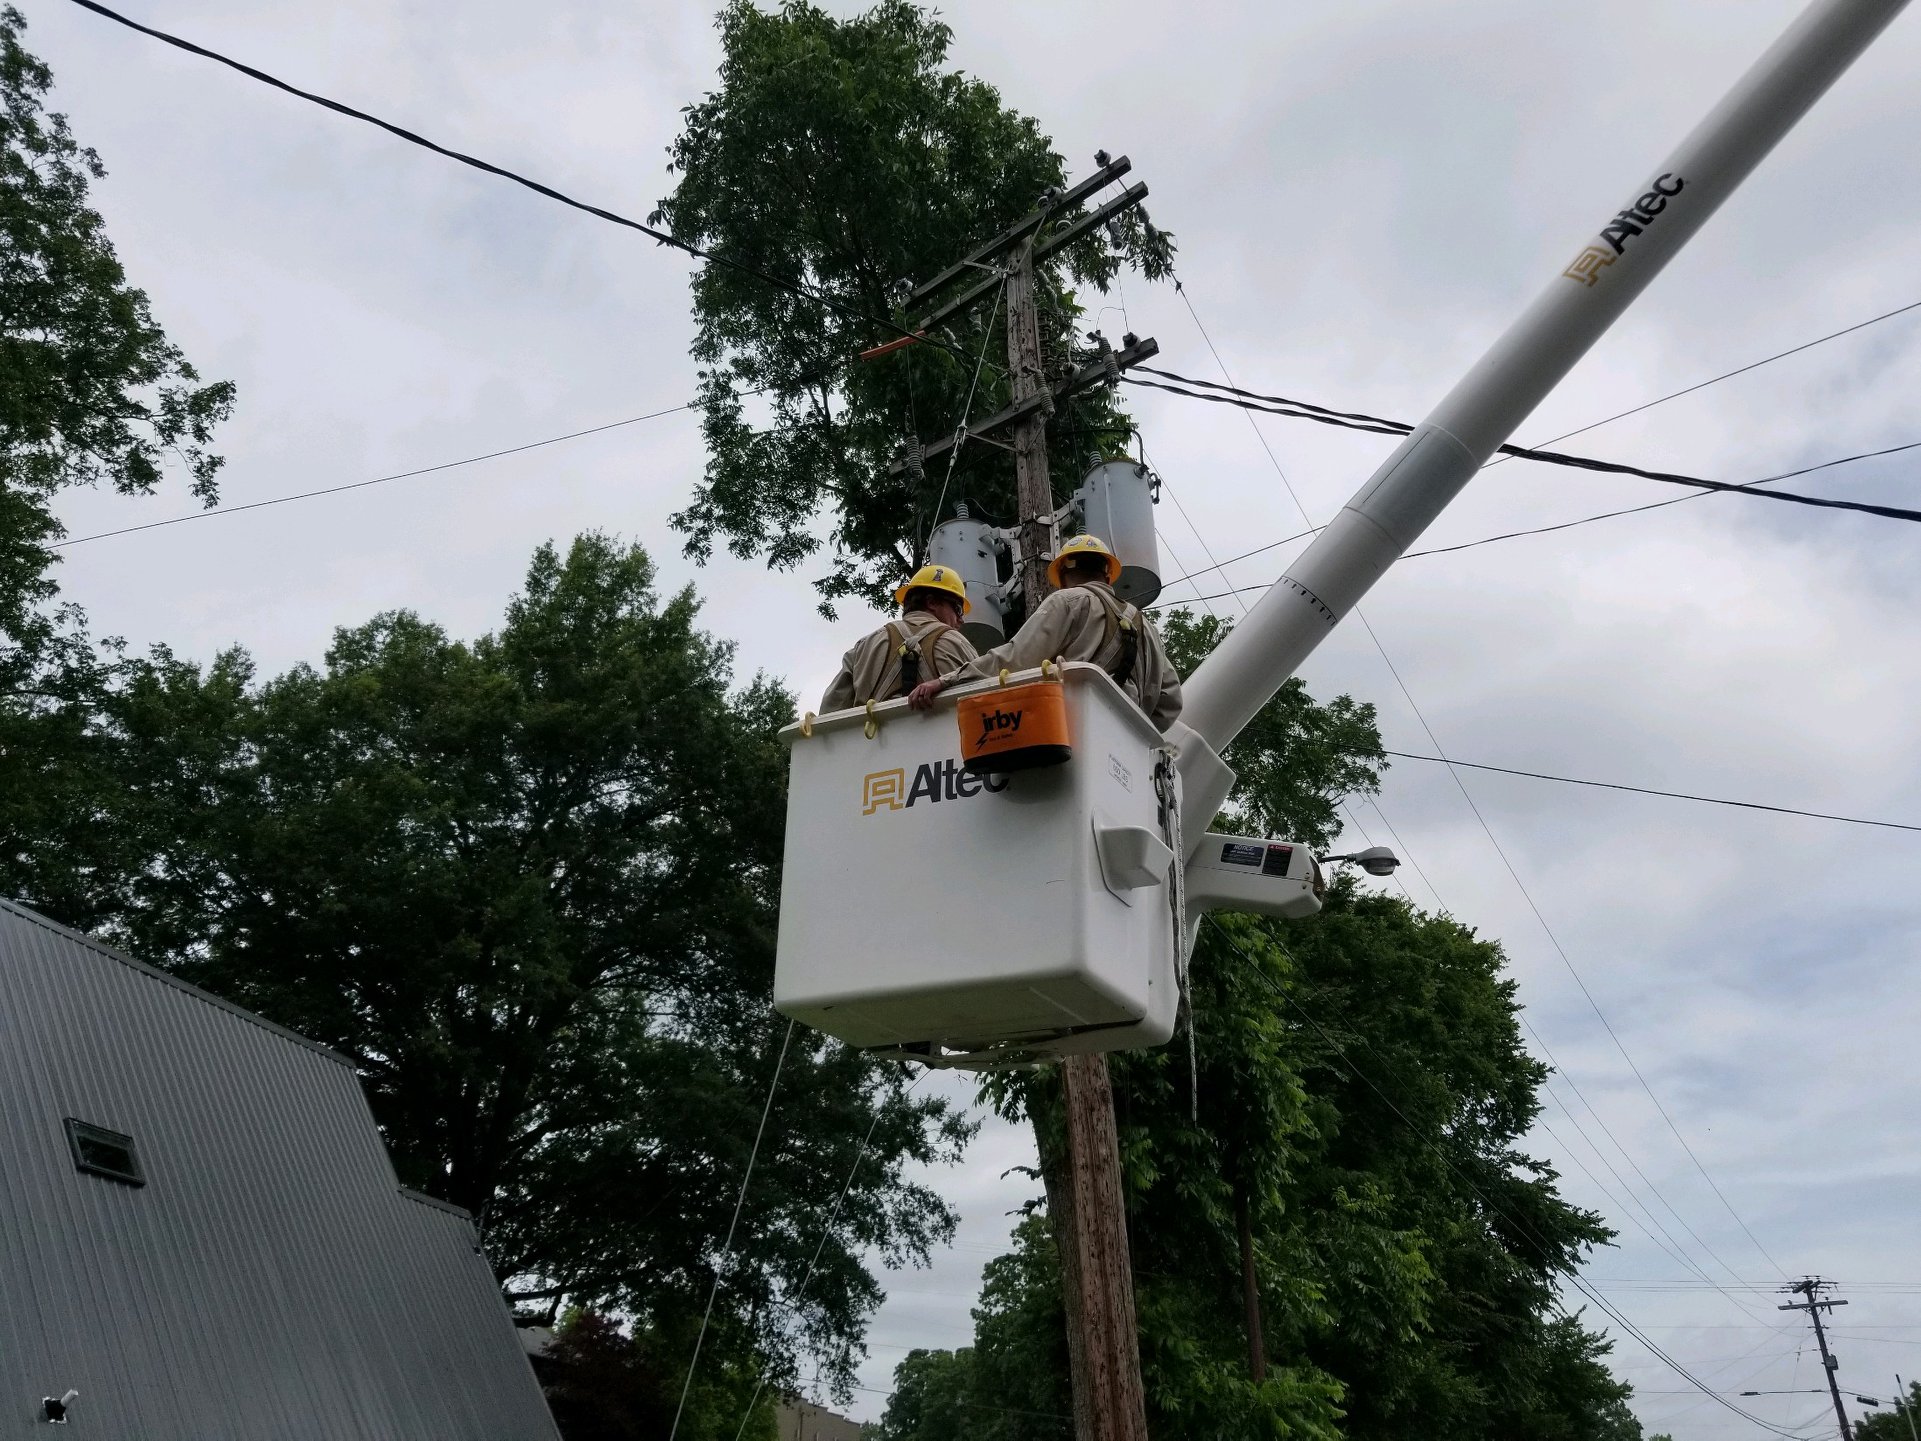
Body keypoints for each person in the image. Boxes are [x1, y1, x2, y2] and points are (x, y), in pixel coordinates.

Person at [907, 534, 1183, 730]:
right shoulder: (1147, 628)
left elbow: (1014, 659)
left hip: (1076, 732)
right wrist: (1135, 726)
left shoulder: (1068, 601)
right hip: (1129, 747)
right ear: (1108, 574)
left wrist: (947, 681)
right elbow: (1170, 701)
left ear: (1062, 574)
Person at [819, 563, 980, 712]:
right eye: (958, 610)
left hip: (872, 741)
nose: (961, 620)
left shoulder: (864, 647)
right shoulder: (956, 641)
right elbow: (987, 697)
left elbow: (830, 711)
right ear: (931, 602)